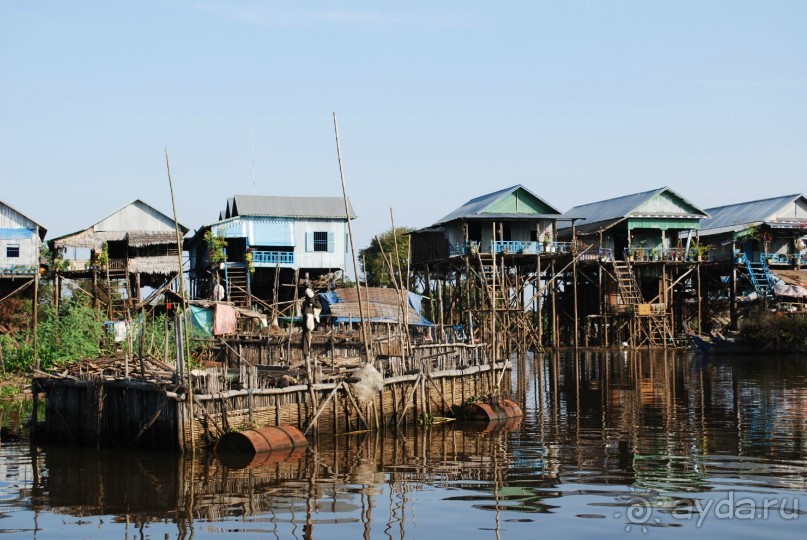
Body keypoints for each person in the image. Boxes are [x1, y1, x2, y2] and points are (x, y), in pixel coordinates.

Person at [301, 287, 321, 358]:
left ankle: (306, 352)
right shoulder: (307, 305)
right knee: (307, 334)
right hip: (308, 321)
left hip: (310, 319)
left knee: (307, 333)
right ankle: (306, 352)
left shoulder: (313, 303)